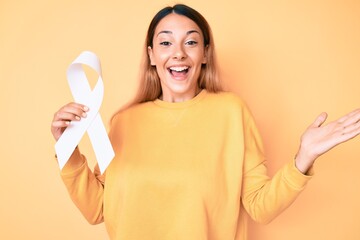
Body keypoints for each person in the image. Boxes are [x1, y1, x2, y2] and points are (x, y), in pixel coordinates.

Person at [51, 4, 360, 240]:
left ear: (205, 54)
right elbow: (98, 209)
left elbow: (259, 207)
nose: (179, 54)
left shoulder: (230, 112)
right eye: (166, 43)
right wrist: (67, 148)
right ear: (152, 55)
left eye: (191, 42)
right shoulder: (123, 122)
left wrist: (303, 158)